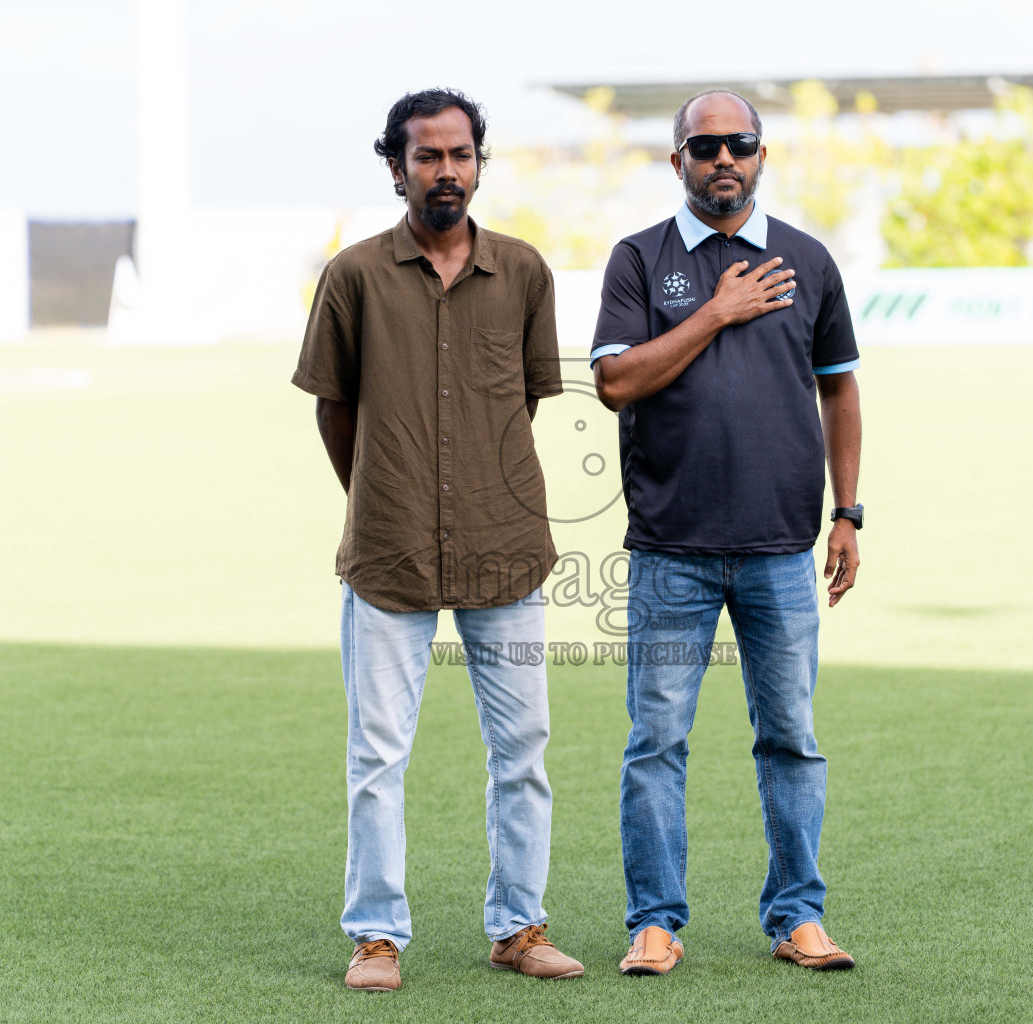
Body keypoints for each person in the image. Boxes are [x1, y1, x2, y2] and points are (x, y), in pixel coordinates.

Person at [292, 88, 583, 992]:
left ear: (478, 164)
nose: (446, 170)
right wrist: (387, 492)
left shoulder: (525, 273)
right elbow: (334, 408)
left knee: (522, 750)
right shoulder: (353, 278)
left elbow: (526, 402)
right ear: (395, 167)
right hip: (389, 552)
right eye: (427, 156)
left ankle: (519, 927)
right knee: (378, 756)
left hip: (506, 547)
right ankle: (376, 936)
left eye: (460, 154)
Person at [591, 88, 864, 975]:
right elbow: (617, 383)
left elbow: (840, 388)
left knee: (791, 739)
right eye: (703, 146)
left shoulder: (808, 260)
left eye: (738, 144)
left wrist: (848, 512)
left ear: (761, 155)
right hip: (671, 549)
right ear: (676, 161)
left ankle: (798, 917)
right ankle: (656, 923)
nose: (722, 159)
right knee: (656, 745)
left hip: (781, 549)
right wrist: (713, 312)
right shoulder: (640, 260)